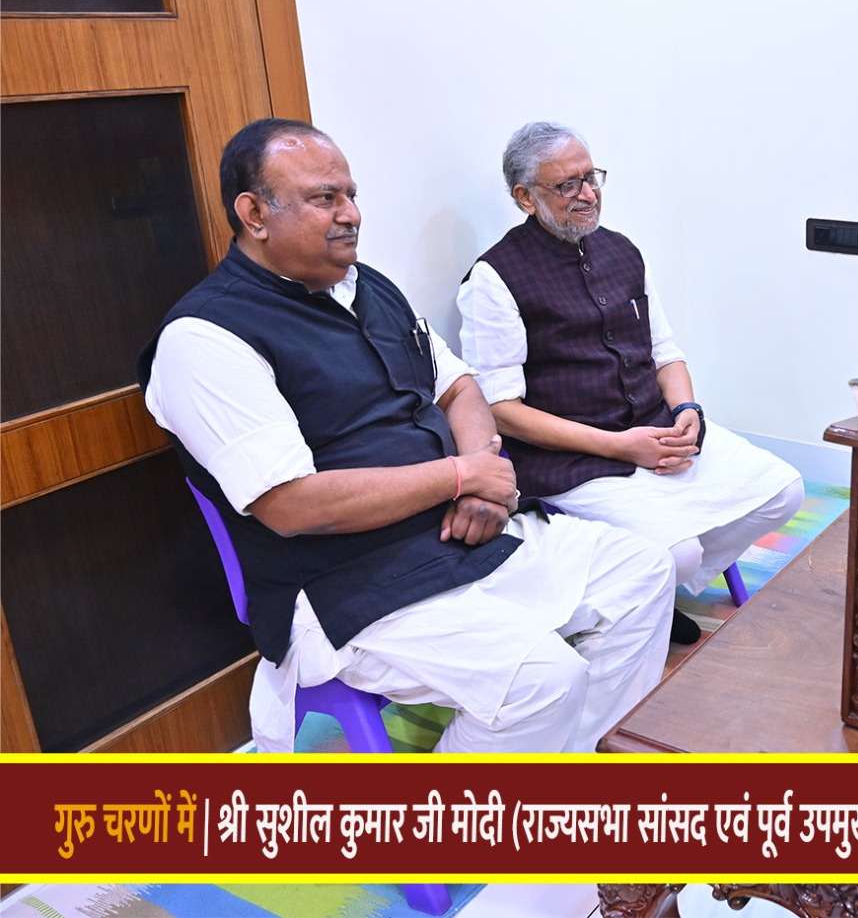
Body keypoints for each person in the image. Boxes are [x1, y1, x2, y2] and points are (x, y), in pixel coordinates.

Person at [140, 119, 675, 753]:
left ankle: (567, 769)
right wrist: (460, 476)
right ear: (254, 214)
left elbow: (461, 388)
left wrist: (483, 484)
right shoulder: (205, 337)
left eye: (351, 195)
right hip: (352, 583)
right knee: (543, 680)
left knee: (645, 572)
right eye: (324, 199)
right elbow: (291, 505)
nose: (351, 215)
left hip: (461, 533)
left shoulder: (368, 287)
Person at [457, 122, 805, 644]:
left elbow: (666, 353)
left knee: (784, 491)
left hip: (656, 430)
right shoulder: (493, 278)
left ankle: (652, 592)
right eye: (567, 185)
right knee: (678, 551)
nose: (588, 194)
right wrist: (619, 446)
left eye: (591, 177)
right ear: (525, 198)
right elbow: (501, 410)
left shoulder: (621, 251)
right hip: (575, 459)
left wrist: (687, 412)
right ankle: (649, 591)